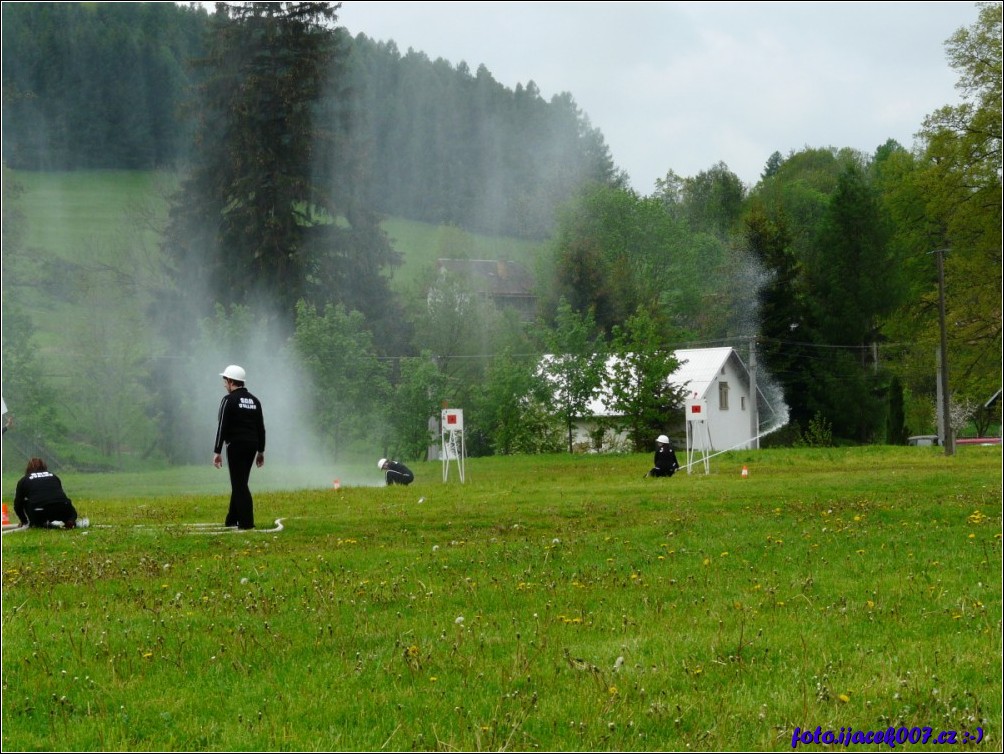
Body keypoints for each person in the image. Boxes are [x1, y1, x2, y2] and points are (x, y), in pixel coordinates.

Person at [214, 365, 265, 530]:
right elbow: (261, 428)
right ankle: (231, 518)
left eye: (225, 381)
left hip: (235, 445)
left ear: (230, 381)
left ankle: (247, 523)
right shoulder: (255, 401)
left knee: (239, 484)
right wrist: (261, 451)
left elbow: (222, 426)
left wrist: (217, 451)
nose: (224, 385)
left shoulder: (228, 400)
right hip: (252, 446)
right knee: (241, 481)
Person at [13, 457, 79, 528]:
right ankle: (70, 520)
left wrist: (24, 521)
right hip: (63, 508)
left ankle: (36, 522)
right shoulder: (54, 476)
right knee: (68, 506)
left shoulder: (24, 480)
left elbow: (18, 505)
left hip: (40, 511)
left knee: (24, 501)